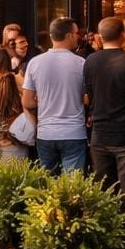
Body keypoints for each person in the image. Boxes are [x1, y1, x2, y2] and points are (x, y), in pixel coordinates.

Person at [83, 17, 125, 225]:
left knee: (103, 184)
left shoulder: (90, 61)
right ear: (123, 34)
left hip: (99, 132)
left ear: (99, 37)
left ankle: (104, 227)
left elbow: (86, 98)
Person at [21, 16, 86, 173]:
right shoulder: (81, 63)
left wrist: (44, 101)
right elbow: (87, 98)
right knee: (72, 187)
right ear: (69, 35)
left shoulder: (35, 62)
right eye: (77, 33)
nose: (79, 37)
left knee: (48, 185)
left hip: (46, 133)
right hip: (74, 132)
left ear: (51, 36)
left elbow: (27, 102)